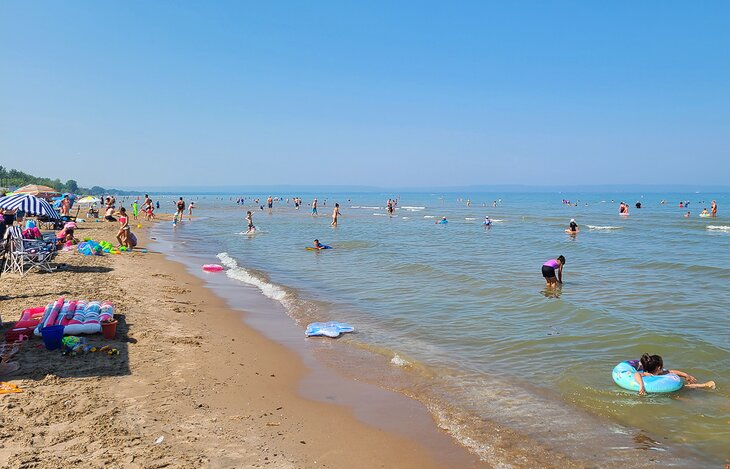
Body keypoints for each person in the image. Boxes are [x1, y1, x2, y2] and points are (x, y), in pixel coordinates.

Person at [632, 353, 715, 396]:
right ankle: (704, 385)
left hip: (669, 390)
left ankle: (703, 386)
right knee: (684, 388)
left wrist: (686, 375)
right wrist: (641, 385)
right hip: (659, 391)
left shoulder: (660, 373)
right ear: (659, 367)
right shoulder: (648, 374)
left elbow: (672, 372)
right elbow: (637, 374)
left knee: (682, 389)